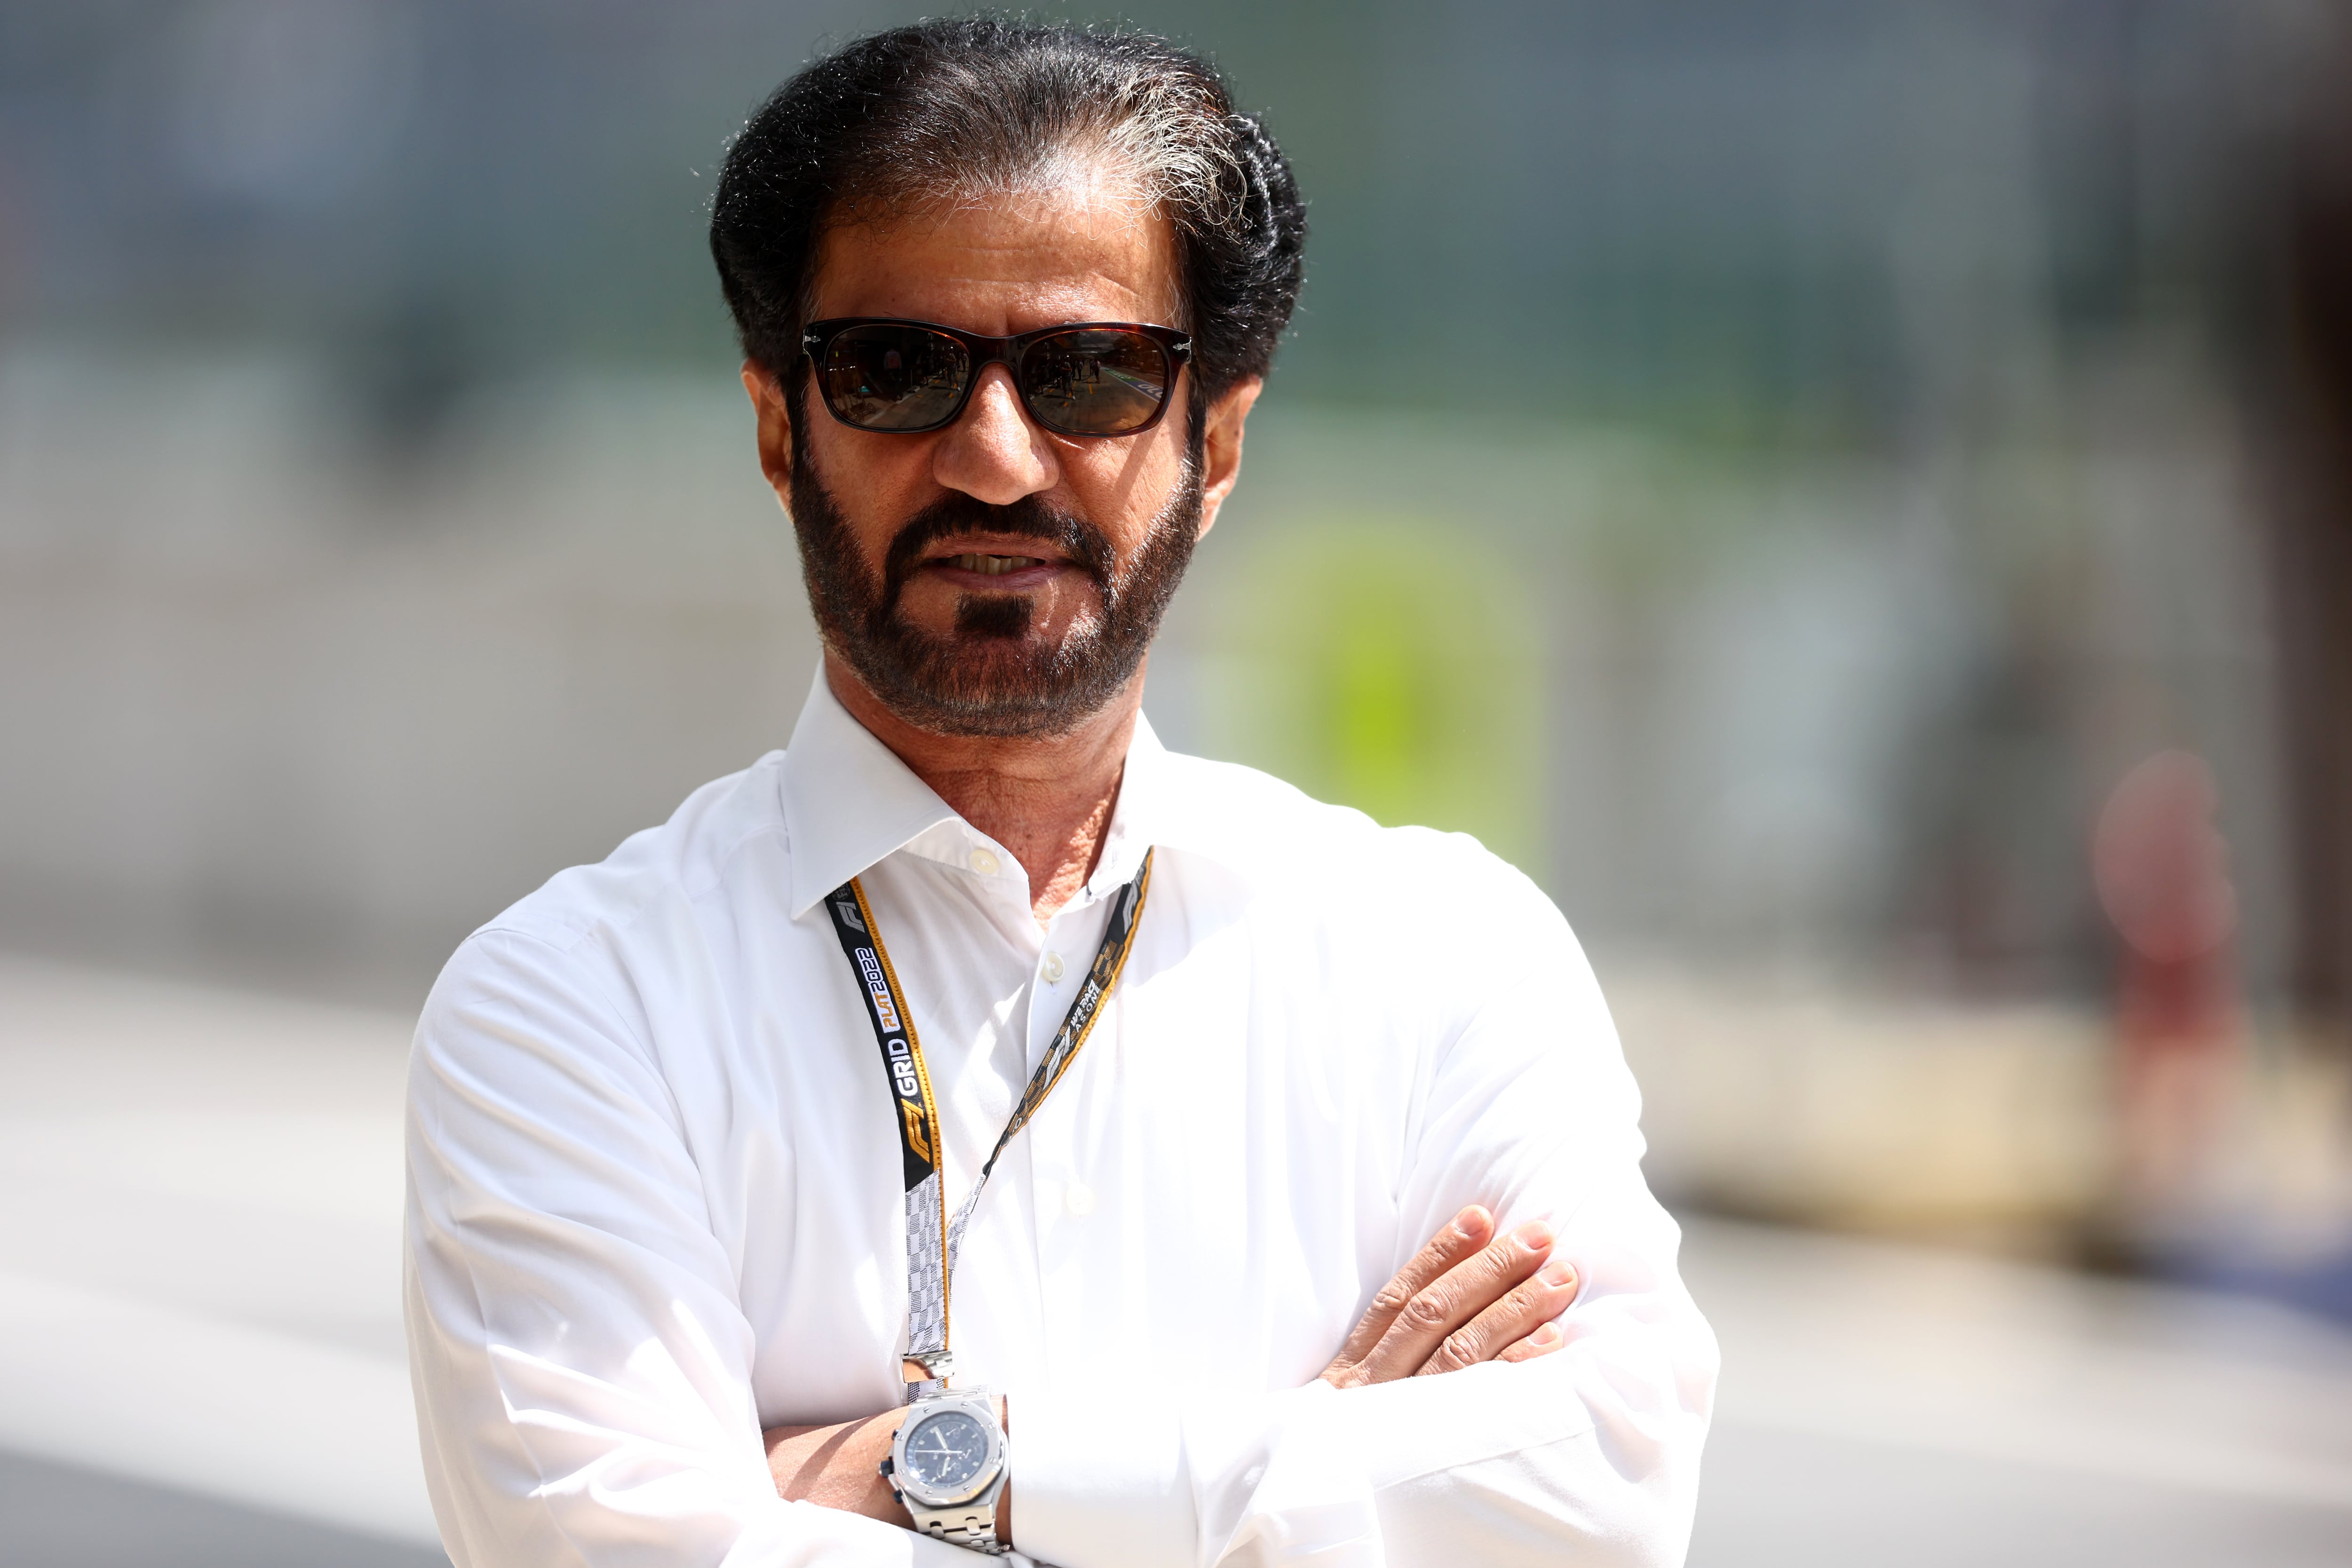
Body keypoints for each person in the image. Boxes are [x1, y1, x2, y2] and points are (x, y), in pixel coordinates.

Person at [403, 18, 1717, 1568]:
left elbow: (1608, 1495)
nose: (994, 456)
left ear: (1216, 442)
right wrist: (1323, 1462)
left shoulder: (1444, 961)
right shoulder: (572, 1008)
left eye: (1089, 372)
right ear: (778, 428)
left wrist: (950, 1469)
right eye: (896, 371)